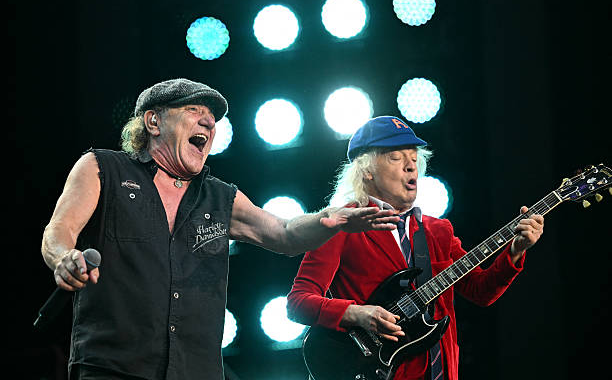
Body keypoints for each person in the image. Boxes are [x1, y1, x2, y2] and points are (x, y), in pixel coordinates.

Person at [40, 78, 400, 380]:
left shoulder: (219, 197)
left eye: (212, 120)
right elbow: (58, 231)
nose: (208, 123)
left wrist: (331, 218)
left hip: (195, 370)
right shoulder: (102, 168)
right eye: (193, 111)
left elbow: (285, 233)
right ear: (153, 121)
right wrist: (64, 258)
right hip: (113, 367)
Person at [286, 116, 544, 380]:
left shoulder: (438, 231)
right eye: (396, 157)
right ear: (367, 170)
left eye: (414, 158)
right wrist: (356, 314)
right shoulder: (343, 226)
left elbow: (481, 291)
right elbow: (297, 303)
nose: (411, 166)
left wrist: (515, 250)